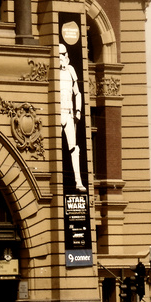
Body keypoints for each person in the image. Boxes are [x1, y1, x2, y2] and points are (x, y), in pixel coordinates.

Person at [59, 41, 85, 191]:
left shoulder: (70, 70)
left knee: (74, 149)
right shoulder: (54, 71)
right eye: (60, 55)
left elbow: (78, 93)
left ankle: (78, 181)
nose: (62, 57)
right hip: (57, 113)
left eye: (64, 54)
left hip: (69, 113)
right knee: (56, 147)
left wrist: (78, 111)